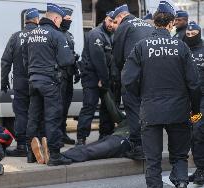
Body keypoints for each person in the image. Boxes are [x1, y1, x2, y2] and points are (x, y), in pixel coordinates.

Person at [121, 1, 201, 188]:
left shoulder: (142, 46)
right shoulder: (181, 47)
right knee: (180, 154)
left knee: (153, 159)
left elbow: (127, 80)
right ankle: (181, 182)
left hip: (151, 109)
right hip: (179, 110)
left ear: (155, 22)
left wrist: (142, 96)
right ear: (172, 23)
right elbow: (194, 84)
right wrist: (195, 110)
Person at [23, 3, 74, 166]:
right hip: (50, 82)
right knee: (53, 118)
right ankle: (55, 155)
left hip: (33, 80)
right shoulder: (57, 35)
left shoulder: (31, 34)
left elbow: (25, 59)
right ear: (56, 18)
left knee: (33, 117)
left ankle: (30, 154)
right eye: (60, 21)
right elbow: (66, 60)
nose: (60, 24)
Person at [111, 4, 154, 160]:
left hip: (132, 76)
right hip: (150, 76)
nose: (115, 25)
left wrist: (117, 77)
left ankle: (138, 148)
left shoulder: (124, 26)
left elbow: (116, 56)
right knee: (147, 111)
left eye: (115, 21)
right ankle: (150, 146)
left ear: (121, 16)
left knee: (134, 111)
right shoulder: (147, 25)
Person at [1, 8, 40, 157]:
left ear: (25, 21)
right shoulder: (41, 35)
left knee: (21, 113)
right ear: (36, 20)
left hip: (20, 82)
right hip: (37, 80)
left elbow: (5, 61)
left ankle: (22, 146)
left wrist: (3, 81)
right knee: (36, 113)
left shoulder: (15, 37)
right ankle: (35, 145)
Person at [75, 11, 115, 146]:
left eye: (114, 22)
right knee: (89, 107)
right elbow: (99, 60)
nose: (111, 24)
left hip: (104, 77)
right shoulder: (96, 34)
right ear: (105, 19)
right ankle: (81, 138)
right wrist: (103, 79)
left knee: (106, 108)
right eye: (110, 20)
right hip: (92, 77)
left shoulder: (111, 35)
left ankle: (105, 135)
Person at [184, 21, 204, 186]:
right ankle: (200, 167)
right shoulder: (181, 50)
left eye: (194, 34)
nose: (190, 36)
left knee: (198, 132)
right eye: (188, 34)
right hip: (186, 99)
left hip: (202, 99)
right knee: (192, 134)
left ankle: (202, 170)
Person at [59, 7, 78, 145]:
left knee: (65, 107)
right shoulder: (56, 34)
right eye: (67, 19)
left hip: (69, 74)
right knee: (58, 107)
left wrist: (76, 69)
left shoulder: (69, 35)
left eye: (70, 20)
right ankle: (56, 135)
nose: (69, 22)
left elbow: (72, 53)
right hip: (60, 76)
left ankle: (62, 133)